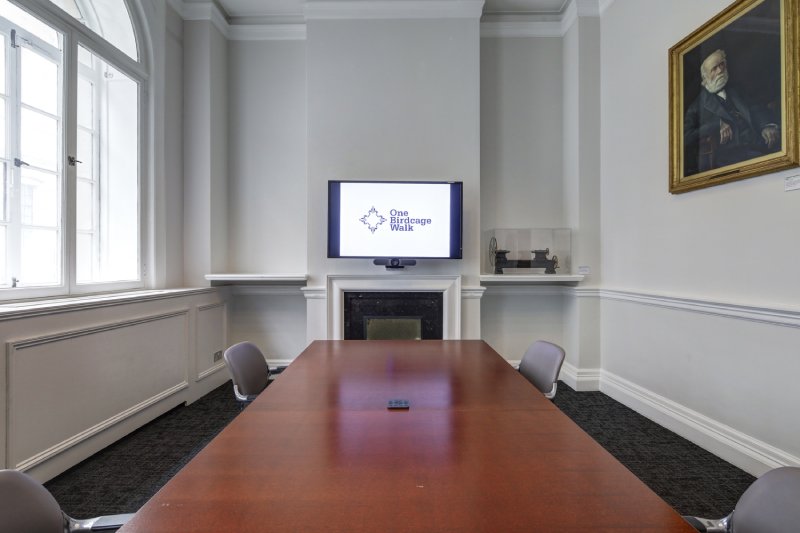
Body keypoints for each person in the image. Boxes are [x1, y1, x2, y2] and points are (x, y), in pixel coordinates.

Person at [683, 48, 780, 175]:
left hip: (760, 143)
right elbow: (686, 137)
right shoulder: (697, 105)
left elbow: (755, 108)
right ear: (705, 78)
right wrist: (716, 124)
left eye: (721, 64)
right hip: (728, 158)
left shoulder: (736, 90)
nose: (720, 70)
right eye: (714, 68)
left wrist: (767, 125)